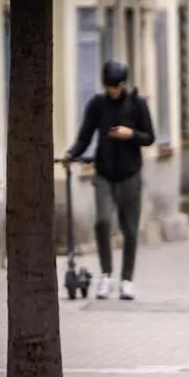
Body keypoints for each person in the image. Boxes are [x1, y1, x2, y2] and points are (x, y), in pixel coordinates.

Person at [62, 60, 155, 301]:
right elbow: (85, 135)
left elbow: (149, 137)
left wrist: (130, 134)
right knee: (102, 222)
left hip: (130, 174)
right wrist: (72, 154)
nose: (113, 90)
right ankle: (105, 275)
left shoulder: (136, 104)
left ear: (123, 84)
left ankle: (127, 280)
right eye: (109, 86)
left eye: (116, 86)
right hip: (104, 173)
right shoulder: (97, 105)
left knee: (130, 229)